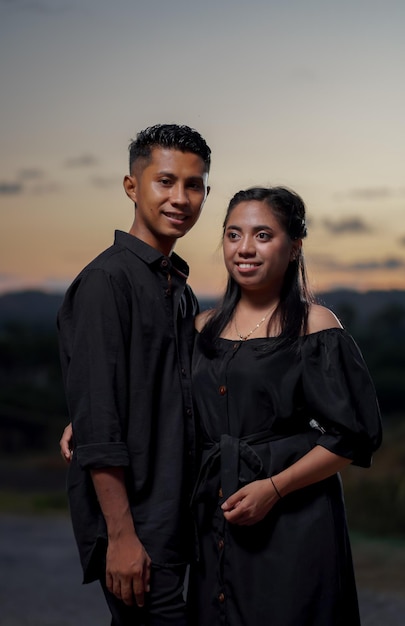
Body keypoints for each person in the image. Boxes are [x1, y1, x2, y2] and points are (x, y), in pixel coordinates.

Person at [189, 186, 382, 626]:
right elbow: (161, 402)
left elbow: (352, 435)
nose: (244, 249)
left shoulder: (314, 324)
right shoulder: (201, 326)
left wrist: (274, 488)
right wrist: (84, 423)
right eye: (233, 235)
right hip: (212, 517)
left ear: (293, 247)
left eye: (262, 235)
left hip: (294, 519)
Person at [57, 123, 211, 626]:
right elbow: (100, 426)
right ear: (132, 186)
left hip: (178, 517)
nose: (181, 198)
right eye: (165, 182)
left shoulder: (178, 289)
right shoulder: (106, 282)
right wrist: (121, 537)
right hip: (137, 526)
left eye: (194, 185)